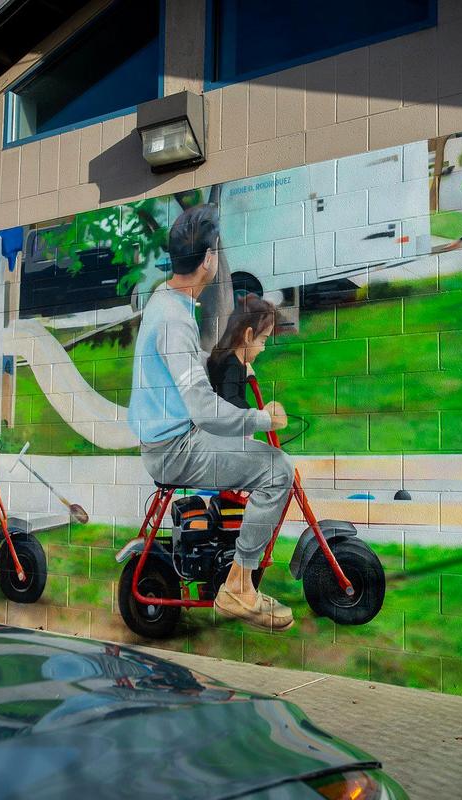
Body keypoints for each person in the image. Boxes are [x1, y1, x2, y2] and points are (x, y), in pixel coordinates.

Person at [129, 204, 294, 631]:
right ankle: (238, 587)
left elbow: (184, 362)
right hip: (176, 448)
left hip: (171, 441)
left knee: (261, 461)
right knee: (278, 470)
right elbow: (203, 408)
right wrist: (260, 419)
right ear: (208, 260)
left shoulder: (167, 303)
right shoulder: (174, 319)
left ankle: (235, 576)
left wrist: (232, 358)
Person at [206, 293, 278, 409]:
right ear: (248, 335)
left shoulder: (233, 361)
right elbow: (229, 400)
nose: (263, 348)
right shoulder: (231, 364)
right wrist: (254, 415)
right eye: (262, 341)